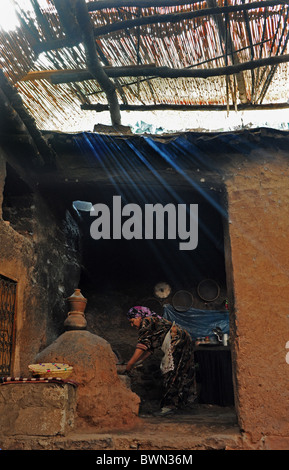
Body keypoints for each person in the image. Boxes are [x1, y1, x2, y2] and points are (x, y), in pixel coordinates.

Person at [125, 305, 196, 416]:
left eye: (132, 321)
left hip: (177, 340)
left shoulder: (147, 320)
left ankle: (169, 406)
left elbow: (143, 345)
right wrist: (138, 361)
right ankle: (181, 404)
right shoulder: (153, 321)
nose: (132, 324)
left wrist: (129, 364)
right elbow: (150, 348)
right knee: (181, 372)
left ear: (138, 317)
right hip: (183, 338)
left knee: (171, 371)